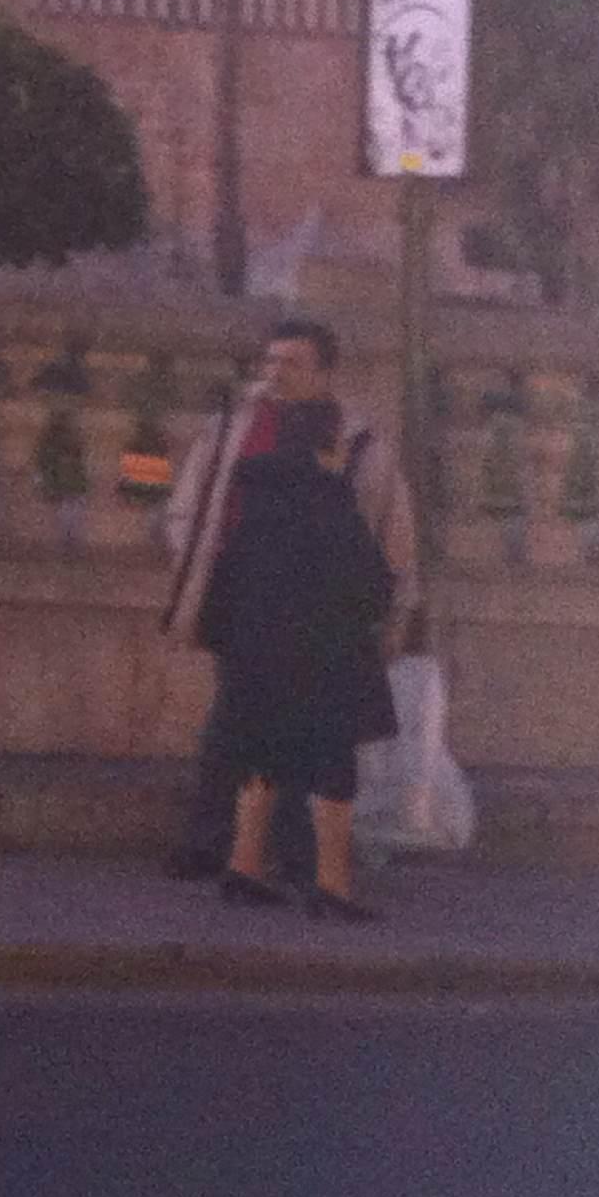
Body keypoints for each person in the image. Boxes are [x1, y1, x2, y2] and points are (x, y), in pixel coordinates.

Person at [157, 317, 416, 880]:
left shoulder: (358, 438)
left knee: (311, 728)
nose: (276, 373)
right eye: (270, 361)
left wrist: (392, 608)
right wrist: (197, 559)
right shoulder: (232, 423)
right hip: (247, 594)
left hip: (320, 607)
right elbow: (191, 495)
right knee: (232, 721)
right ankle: (210, 843)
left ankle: (299, 854)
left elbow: (389, 528)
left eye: (292, 363)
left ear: (325, 372)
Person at [197, 396, 400, 917]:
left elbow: (228, 577)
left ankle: (243, 868)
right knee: (333, 771)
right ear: (326, 445)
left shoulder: (256, 498)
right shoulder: (329, 500)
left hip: (255, 654)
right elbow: (371, 586)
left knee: (261, 760)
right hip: (323, 655)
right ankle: (332, 886)